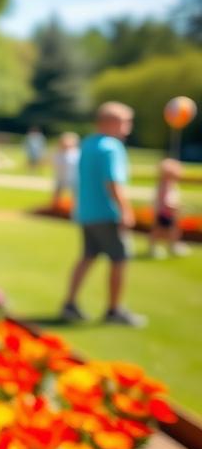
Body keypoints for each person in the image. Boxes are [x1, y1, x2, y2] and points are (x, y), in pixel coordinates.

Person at [61, 101, 144, 326]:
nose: (127, 128)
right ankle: (114, 310)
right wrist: (125, 211)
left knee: (87, 256)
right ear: (111, 122)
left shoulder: (87, 144)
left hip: (86, 212)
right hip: (106, 213)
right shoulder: (111, 147)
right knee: (119, 259)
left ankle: (69, 304)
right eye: (125, 122)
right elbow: (113, 183)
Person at [149, 157, 189, 258]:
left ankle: (169, 246)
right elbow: (167, 200)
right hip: (166, 211)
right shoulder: (166, 184)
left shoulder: (165, 183)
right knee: (167, 230)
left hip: (163, 211)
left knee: (162, 230)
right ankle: (170, 247)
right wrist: (175, 207)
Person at [51, 131, 80, 211]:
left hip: (74, 177)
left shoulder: (76, 153)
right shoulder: (58, 153)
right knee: (57, 192)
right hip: (61, 177)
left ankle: (76, 209)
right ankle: (55, 208)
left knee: (76, 194)